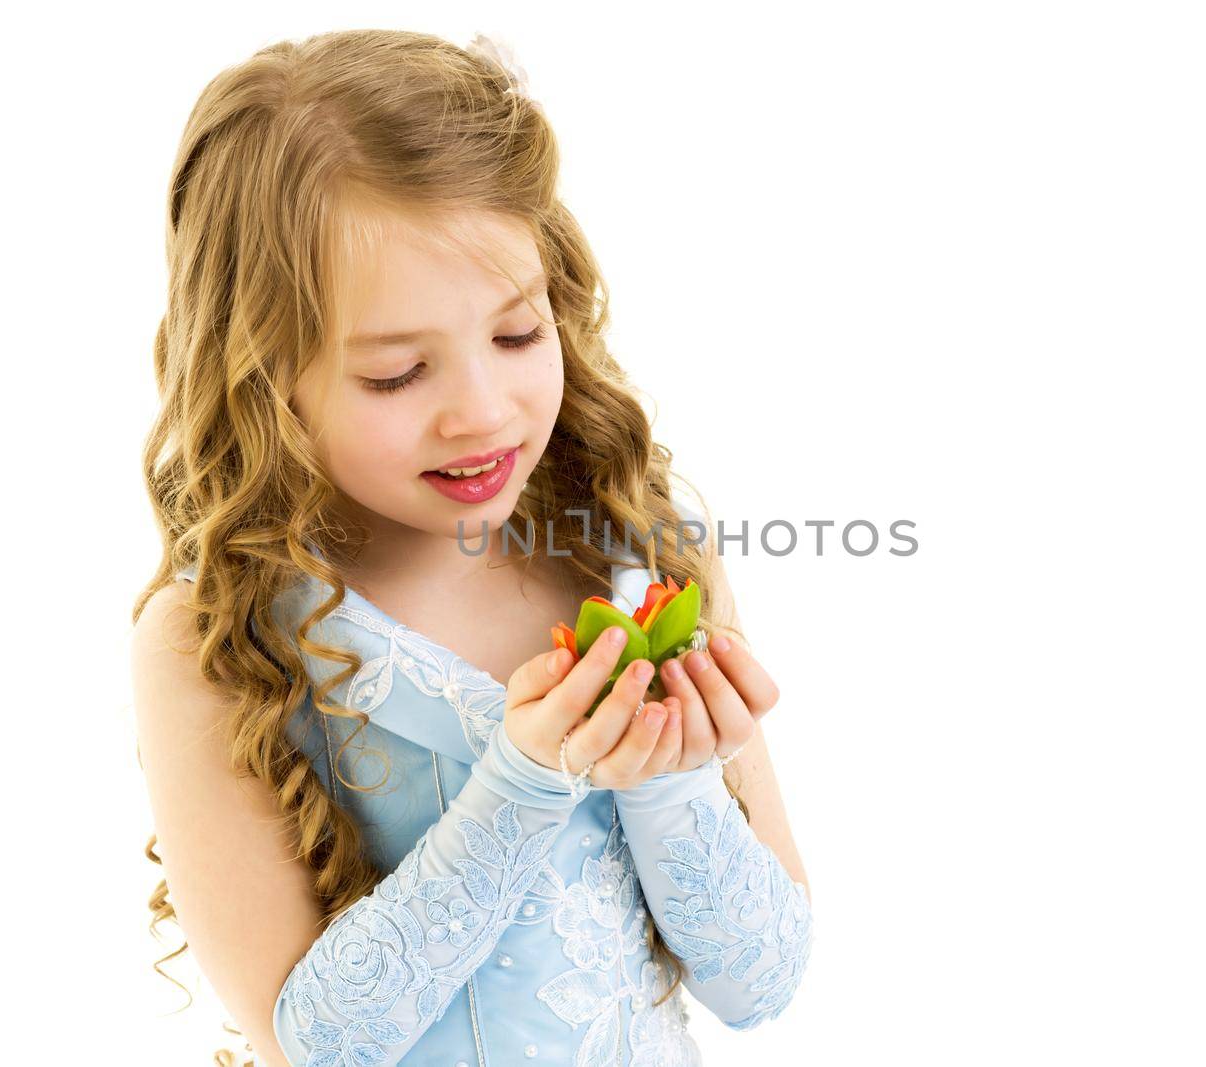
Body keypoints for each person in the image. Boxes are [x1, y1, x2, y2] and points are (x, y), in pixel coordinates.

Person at [129, 28, 814, 1067]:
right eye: (398, 374)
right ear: (263, 375)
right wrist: (527, 780)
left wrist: (667, 779)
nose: (484, 413)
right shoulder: (216, 634)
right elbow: (314, 1040)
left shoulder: (640, 539)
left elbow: (760, 982)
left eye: (515, 335)